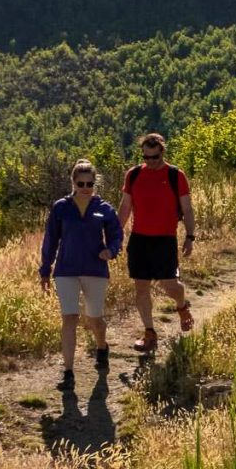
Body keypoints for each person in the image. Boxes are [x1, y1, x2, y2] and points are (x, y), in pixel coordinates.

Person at [37, 159, 122, 387]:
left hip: (95, 270)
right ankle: (68, 373)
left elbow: (117, 235)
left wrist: (110, 251)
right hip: (66, 270)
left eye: (90, 184)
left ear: (95, 184)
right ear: (73, 183)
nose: (85, 188)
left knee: (95, 318)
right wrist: (45, 270)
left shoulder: (104, 209)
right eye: (81, 183)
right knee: (69, 318)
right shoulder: (61, 208)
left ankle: (102, 347)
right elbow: (50, 240)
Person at [118, 131, 196, 352]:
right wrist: (115, 235)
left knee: (170, 285)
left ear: (162, 152)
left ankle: (182, 305)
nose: (151, 162)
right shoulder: (133, 175)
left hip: (165, 239)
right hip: (140, 239)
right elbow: (125, 207)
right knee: (141, 287)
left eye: (155, 157)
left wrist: (190, 236)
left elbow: (187, 209)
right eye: (146, 157)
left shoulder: (175, 175)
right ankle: (149, 333)